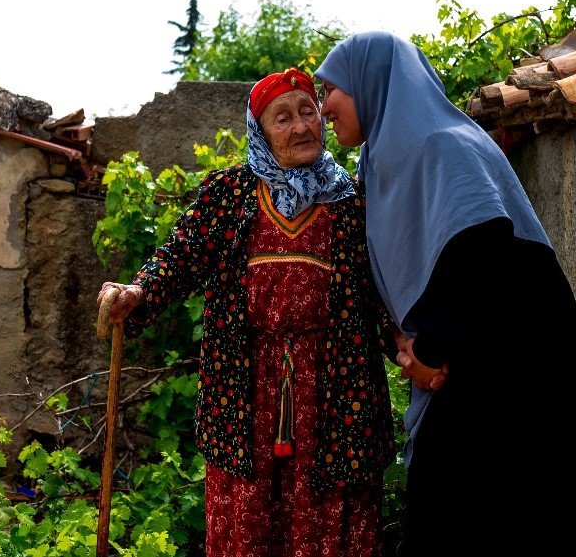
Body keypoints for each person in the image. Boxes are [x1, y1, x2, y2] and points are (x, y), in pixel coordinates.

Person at [315, 32, 576, 556]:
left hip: (514, 354)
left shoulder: (441, 143)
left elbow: (477, 247)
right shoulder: (386, 159)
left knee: (493, 508)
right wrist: (411, 349)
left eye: (331, 91)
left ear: (369, 83)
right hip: (469, 350)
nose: (324, 108)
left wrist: (432, 353)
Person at [96, 67, 398, 557]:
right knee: (249, 521)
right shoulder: (229, 194)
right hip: (244, 393)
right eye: (283, 118)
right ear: (261, 131)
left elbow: (383, 287)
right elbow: (180, 257)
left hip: (335, 395)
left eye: (307, 111)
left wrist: (406, 340)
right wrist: (139, 290)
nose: (301, 126)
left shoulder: (353, 201)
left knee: (326, 523)